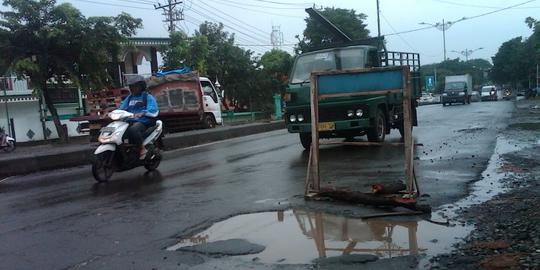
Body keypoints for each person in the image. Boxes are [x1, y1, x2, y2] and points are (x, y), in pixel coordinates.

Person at [119, 75, 159, 158]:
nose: (132, 88)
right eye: (131, 86)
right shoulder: (129, 98)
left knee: (133, 130)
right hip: (130, 120)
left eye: (135, 86)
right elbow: (121, 108)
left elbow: (153, 110)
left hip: (142, 121)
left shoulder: (147, 97)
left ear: (141, 86)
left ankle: (142, 148)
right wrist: (113, 112)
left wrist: (143, 113)